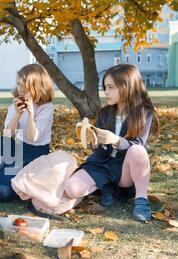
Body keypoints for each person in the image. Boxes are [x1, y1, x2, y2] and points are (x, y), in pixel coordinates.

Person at [63, 64, 159, 222]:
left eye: (111, 87)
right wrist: (94, 142)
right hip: (102, 165)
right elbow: (100, 151)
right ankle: (106, 188)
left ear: (127, 87)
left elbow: (138, 144)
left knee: (138, 151)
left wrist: (116, 140)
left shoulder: (144, 113)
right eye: (105, 87)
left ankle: (141, 199)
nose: (106, 92)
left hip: (124, 169)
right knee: (71, 189)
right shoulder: (104, 113)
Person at [0, 64, 55, 201]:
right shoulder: (16, 102)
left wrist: (31, 114)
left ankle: (16, 182)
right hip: (17, 149)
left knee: (4, 192)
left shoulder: (46, 108)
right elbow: (8, 133)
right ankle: (12, 179)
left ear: (35, 87)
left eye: (22, 85)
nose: (19, 89)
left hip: (36, 155)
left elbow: (32, 137)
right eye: (18, 84)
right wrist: (18, 114)